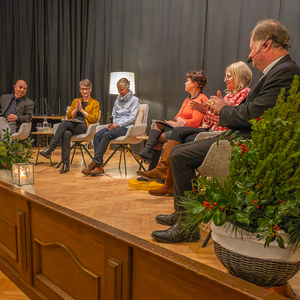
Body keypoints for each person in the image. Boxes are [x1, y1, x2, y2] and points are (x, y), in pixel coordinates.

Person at [151, 19, 300, 244]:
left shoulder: (285, 72)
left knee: (180, 155)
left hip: (248, 144)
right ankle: (184, 215)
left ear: (266, 45)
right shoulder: (278, 71)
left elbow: (255, 115)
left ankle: (188, 226)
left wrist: (224, 109)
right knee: (183, 147)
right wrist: (223, 109)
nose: (250, 55)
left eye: (252, 48)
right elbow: (249, 111)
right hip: (239, 136)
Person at [139, 61, 252, 196]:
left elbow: (226, 120)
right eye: (225, 76)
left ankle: (163, 173)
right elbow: (207, 119)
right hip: (211, 129)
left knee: (178, 135)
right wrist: (208, 113)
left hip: (221, 134)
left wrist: (206, 112)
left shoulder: (245, 95)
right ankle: (163, 174)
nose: (225, 80)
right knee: (173, 131)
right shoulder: (227, 95)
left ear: (238, 76)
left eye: (228, 77)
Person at [133, 70, 208, 167]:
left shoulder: (201, 99)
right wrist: (178, 120)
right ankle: (147, 154)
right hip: (178, 128)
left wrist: (179, 123)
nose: (185, 83)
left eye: (187, 81)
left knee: (157, 138)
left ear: (195, 84)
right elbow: (177, 117)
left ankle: (151, 166)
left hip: (188, 131)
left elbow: (196, 122)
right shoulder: (187, 100)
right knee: (157, 124)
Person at [81, 77, 140, 176]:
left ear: (128, 87)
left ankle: (94, 162)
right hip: (116, 126)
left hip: (127, 128)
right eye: (118, 89)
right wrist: (113, 124)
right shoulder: (117, 99)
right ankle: (99, 166)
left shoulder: (135, 100)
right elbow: (114, 114)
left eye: (122, 89)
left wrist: (118, 125)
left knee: (107, 135)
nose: (119, 92)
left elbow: (132, 118)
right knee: (97, 135)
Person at [40, 79, 100, 174]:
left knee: (64, 123)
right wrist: (76, 109)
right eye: (82, 89)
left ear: (90, 89)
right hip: (74, 124)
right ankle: (65, 164)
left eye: (87, 89)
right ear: (80, 90)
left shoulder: (95, 103)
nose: (85, 91)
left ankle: (50, 148)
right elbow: (68, 116)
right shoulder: (76, 101)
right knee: (66, 133)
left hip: (85, 126)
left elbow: (94, 119)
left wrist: (82, 111)